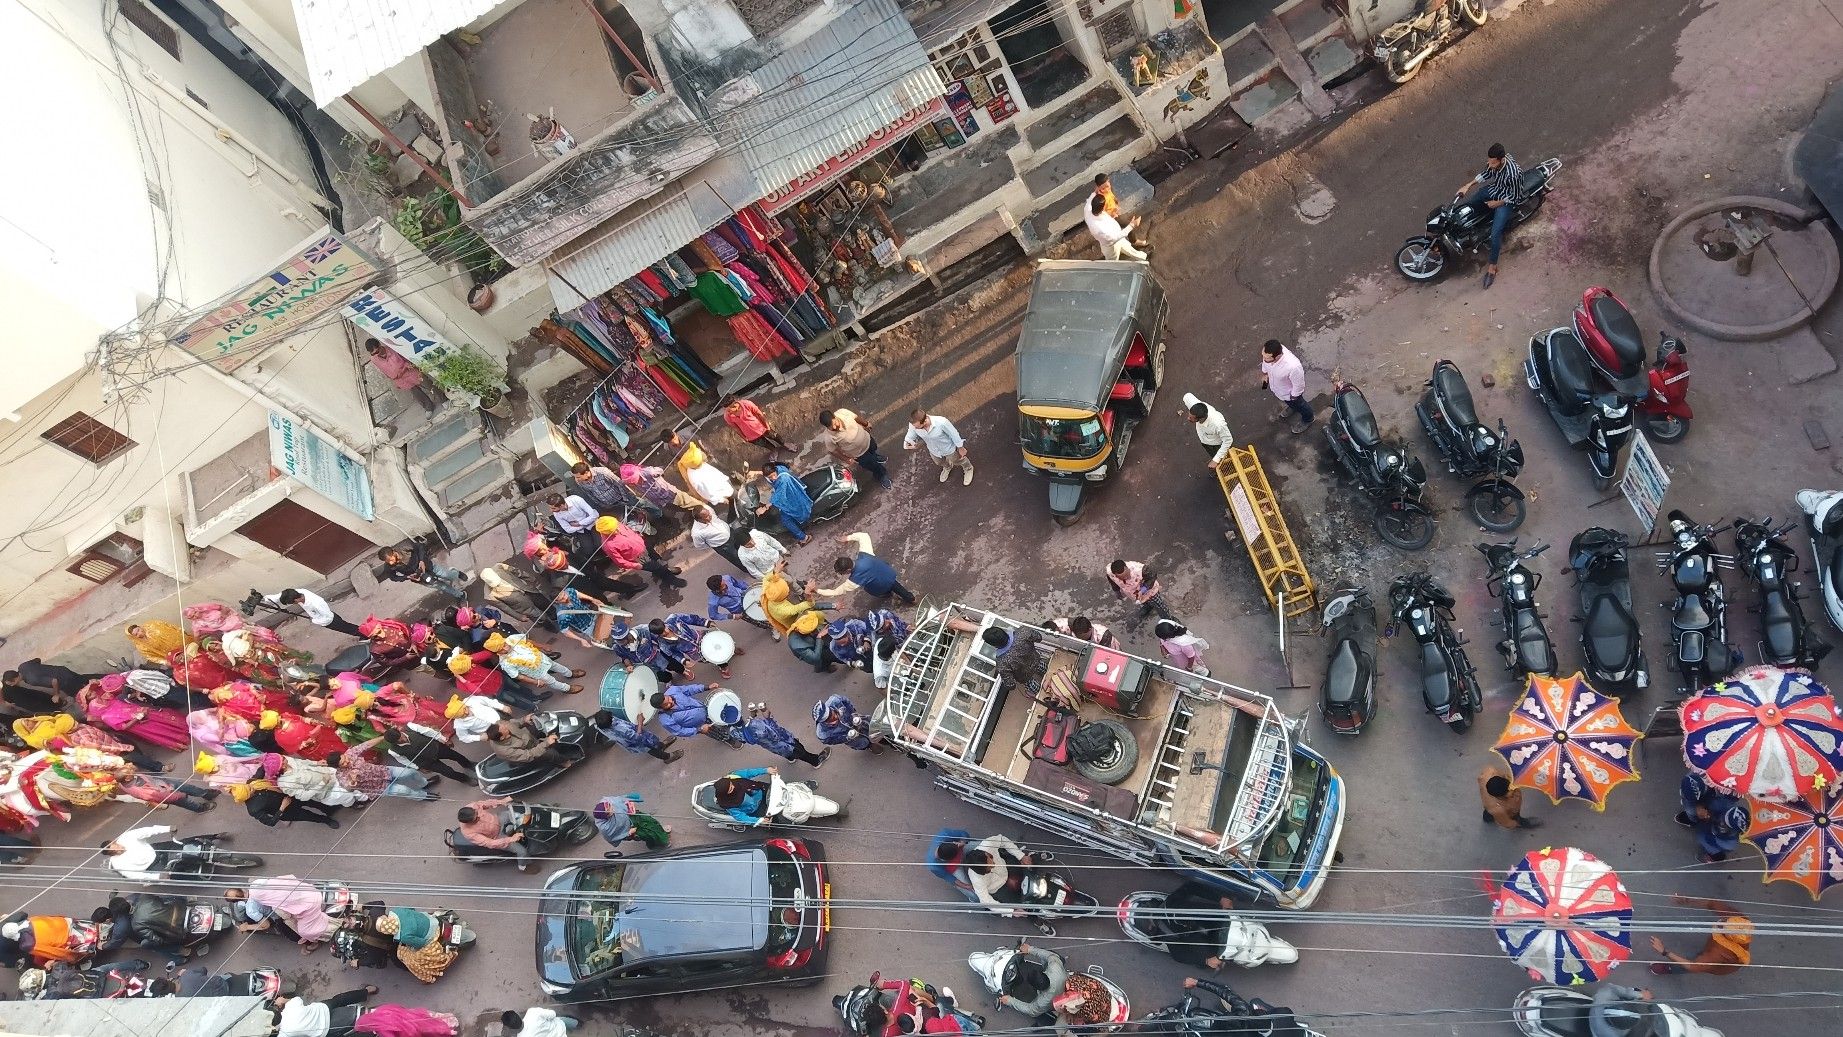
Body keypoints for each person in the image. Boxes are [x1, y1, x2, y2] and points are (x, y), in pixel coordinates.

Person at [1454, 142, 1522, 288]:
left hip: (1505, 200)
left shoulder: (1514, 174)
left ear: (1501, 159)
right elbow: (1486, 174)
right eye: (1489, 160)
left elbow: (1516, 196)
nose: (1489, 163)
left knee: (1495, 233)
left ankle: (1492, 267)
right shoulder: (1495, 164)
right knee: (1473, 201)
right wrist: (1468, 185)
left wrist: (1497, 204)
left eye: (1492, 161)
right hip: (1495, 189)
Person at [1648, 895, 1753, 976]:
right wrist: (1687, 900)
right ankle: (1701, 954)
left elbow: (1692, 966)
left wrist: (1664, 951)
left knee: (1690, 964)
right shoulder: (1739, 921)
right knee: (1702, 956)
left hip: (1715, 965)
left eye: (1723, 927)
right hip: (1712, 952)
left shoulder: (1717, 954)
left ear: (1727, 937)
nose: (1722, 922)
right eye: (1725, 921)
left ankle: (1671, 969)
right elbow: (1712, 904)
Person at [816, 531, 916, 605]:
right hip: (888, 574)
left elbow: (835, 592)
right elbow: (863, 536)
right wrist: (848, 538)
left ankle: (888, 594)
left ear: (848, 570)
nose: (842, 575)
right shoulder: (864, 554)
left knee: (875, 590)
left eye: (842, 573)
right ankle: (911, 599)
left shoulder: (854, 580)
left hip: (879, 587)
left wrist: (816, 590)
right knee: (898, 587)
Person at [329, 737, 437, 802]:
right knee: (404, 791)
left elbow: (366, 744)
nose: (347, 761)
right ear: (338, 767)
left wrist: (382, 737)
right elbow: (348, 788)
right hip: (379, 788)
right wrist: (352, 783)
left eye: (345, 758)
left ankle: (424, 783)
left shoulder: (350, 753)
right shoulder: (340, 775)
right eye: (343, 763)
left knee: (410, 772)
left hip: (384, 771)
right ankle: (423, 796)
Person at [595, 515, 687, 589]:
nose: (618, 528)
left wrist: (638, 536)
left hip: (644, 545)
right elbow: (620, 561)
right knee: (657, 568)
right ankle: (670, 579)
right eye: (614, 530)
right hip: (639, 559)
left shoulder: (615, 524)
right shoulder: (608, 545)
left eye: (617, 526)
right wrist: (636, 566)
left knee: (657, 558)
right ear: (607, 532)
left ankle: (666, 569)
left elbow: (628, 530)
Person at [1677, 773, 1746, 863]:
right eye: (1725, 816)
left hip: (1716, 839)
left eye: (1724, 823)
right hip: (1713, 820)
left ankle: (1716, 856)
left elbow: (1713, 833)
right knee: (1703, 832)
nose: (1723, 820)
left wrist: (1709, 820)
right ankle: (1695, 821)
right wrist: (1708, 813)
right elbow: (1718, 807)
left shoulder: (1728, 843)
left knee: (1709, 844)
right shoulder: (1724, 806)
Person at [734, 701, 828, 766]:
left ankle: (790, 758)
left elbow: (746, 733)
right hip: (783, 743)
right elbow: (774, 733)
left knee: (786, 753)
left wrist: (752, 716)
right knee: (800, 751)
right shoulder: (756, 725)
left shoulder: (734, 732)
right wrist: (767, 714)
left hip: (770, 746)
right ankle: (816, 761)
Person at [819, 408, 892, 489]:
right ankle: (881, 475)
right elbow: (833, 451)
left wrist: (866, 424)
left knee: (874, 448)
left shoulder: (843, 412)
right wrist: (847, 459)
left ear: (835, 417)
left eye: (835, 423)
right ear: (827, 427)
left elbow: (855, 418)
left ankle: (875, 457)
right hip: (860, 455)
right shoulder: (829, 438)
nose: (835, 427)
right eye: (831, 427)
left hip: (867, 440)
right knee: (874, 466)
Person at [378, 724, 475, 785]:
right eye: (398, 741)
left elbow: (428, 732)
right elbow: (404, 761)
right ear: (393, 743)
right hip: (426, 762)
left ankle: (468, 764)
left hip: (436, 748)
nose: (402, 739)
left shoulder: (410, 727)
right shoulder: (393, 751)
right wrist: (418, 768)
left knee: (456, 756)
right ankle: (465, 779)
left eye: (401, 736)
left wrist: (444, 739)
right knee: (448, 772)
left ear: (400, 731)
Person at [456, 797, 533, 870]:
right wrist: (511, 839)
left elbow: (486, 803)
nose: (479, 816)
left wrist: (502, 801)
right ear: (469, 822)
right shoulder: (469, 833)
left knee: (517, 813)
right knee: (522, 852)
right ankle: (524, 866)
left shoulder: (472, 806)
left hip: (497, 819)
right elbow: (490, 843)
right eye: (476, 819)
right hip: (496, 836)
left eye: (477, 813)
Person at [649, 684, 737, 746]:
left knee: (721, 716)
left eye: (668, 698)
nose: (671, 701)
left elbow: (690, 689)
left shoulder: (673, 690)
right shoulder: (665, 720)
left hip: (705, 708)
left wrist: (706, 687)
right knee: (716, 733)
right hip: (701, 725)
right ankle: (728, 739)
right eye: (666, 704)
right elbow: (680, 731)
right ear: (660, 708)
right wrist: (699, 730)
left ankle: (727, 724)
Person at [903, 409, 974, 485]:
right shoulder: (914, 425)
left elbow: (954, 434)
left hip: (948, 448)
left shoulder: (941, 422)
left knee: (957, 460)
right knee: (939, 462)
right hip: (933, 450)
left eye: (919, 427)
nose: (916, 429)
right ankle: (948, 467)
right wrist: (907, 442)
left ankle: (968, 468)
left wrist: (960, 447)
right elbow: (910, 434)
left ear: (925, 421)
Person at [262, 587, 366, 639]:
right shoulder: (297, 592)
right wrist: (265, 599)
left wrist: (315, 620)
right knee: (346, 626)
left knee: (347, 628)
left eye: (293, 603)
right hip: (323, 617)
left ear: (297, 599)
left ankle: (365, 635)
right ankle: (363, 632)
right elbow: (279, 595)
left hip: (330, 620)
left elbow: (328, 617)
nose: (294, 604)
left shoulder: (316, 603)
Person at [377, 543, 470, 599]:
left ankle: (456, 573)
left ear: (393, 552)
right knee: (442, 586)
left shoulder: (403, 547)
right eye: (388, 561)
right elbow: (394, 578)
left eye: (391, 559)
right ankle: (459, 595)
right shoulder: (388, 567)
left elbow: (420, 547)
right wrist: (407, 577)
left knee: (448, 575)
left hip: (430, 566)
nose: (391, 562)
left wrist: (421, 560)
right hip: (420, 578)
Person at [589, 709, 683, 764]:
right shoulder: (621, 729)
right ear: (610, 721)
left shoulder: (600, 725)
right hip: (638, 742)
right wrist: (640, 721)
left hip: (632, 737)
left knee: (653, 743)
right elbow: (637, 737)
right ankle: (667, 757)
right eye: (611, 716)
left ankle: (661, 745)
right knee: (651, 749)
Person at [364, 339, 437, 409]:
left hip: (409, 370)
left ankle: (443, 399)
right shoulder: (374, 359)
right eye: (373, 354)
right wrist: (395, 381)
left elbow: (406, 357)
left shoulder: (391, 348)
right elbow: (384, 371)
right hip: (400, 379)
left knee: (428, 384)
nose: (376, 354)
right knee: (417, 394)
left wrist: (406, 367)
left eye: (377, 352)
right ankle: (428, 407)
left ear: (379, 345)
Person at [1260, 340, 1314, 433]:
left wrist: (1294, 396)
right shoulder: (1268, 356)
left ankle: (1308, 419)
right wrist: (1265, 373)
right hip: (1280, 391)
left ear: (1277, 357)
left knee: (1300, 405)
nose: (1264, 359)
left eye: (1267, 358)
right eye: (1263, 355)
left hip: (1290, 394)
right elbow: (1265, 364)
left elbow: (1299, 384)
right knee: (1290, 403)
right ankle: (1292, 407)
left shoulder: (1293, 367)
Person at [486, 717, 574, 773]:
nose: (505, 726)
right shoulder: (505, 751)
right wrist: (546, 743)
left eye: (503, 726)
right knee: (551, 754)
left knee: (541, 725)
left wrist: (524, 720)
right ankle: (564, 761)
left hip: (528, 737)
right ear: (502, 738)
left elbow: (513, 723)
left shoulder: (500, 724)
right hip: (529, 751)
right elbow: (529, 755)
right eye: (504, 729)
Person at [592, 793, 670, 853]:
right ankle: (659, 844)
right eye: (609, 811)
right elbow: (612, 837)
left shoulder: (606, 802)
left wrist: (628, 797)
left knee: (651, 822)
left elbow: (618, 800)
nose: (612, 808)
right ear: (605, 816)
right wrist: (628, 833)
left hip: (633, 815)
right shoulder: (605, 828)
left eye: (610, 806)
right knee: (648, 834)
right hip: (631, 829)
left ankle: (661, 834)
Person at [756, 466, 815, 544]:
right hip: (793, 489)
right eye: (770, 477)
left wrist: (766, 507)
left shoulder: (783, 479)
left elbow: (779, 496)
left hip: (794, 498)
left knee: (785, 520)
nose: (773, 478)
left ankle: (804, 538)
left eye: (774, 475)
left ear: (775, 471)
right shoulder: (779, 468)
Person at [1084, 193, 1148, 261]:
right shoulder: (1099, 228)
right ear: (1102, 208)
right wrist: (1132, 225)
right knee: (1113, 261)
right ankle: (1113, 268)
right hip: (1111, 245)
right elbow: (1114, 238)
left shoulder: (1088, 210)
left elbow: (1090, 198)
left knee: (1128, 247)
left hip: (1118, 236)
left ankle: (1144, 257)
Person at [814, 693, 882, 753]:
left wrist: (853, 713)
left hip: (853, 719)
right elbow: (833, 741)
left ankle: (883, 736)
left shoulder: (835, 700)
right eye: (828, 719)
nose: (834, 716)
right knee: (862, 743)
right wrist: (847, 738)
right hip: (847, 735)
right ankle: (869, 745)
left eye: (831, 713)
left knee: (871, 726)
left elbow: (846, 701)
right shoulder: (822, 734)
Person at [1180, 392, 1234, 468]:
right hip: (1205, 441)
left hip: (1216, 444)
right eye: (1189, 416)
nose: (1188, 418)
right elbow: (1187, 396)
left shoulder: (1218, 424)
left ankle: (1225, 465)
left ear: (1201, 418)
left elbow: (1228, 440)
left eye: (1191, 418)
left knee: (1221, 456)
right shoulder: (1195, 406)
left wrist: (1216, 460)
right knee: (1212, 454)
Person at [723, 397, 791, 457]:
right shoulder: (727, 416)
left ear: (734, 404)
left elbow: (759, 414)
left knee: (773, 436)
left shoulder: (747, 404)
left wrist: (766, 425)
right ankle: (774, 450)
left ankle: (784, 444)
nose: (728, 412)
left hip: (761, 427)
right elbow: (735, 428)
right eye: (727, 410)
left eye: (729, 409)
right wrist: (744, 437)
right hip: (750, 436)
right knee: (764, 444)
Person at [712, 767, 778, 825]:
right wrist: (758, 820)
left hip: (759, 788)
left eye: (731, 784)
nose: (734, 787)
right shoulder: (729, 804)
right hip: (757, 808)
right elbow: (741, 817)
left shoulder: (734, 776)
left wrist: (766, 770)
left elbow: (748, 772)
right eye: (731, 789)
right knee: (776, 819)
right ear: (726, 793)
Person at [1107, 559, 1171, 619]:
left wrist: (1143, 590)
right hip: (1134, 593)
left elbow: (1152, 577)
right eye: (1122, 578)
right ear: (1115, 575)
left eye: (1127, 575)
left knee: (1159, 605)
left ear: (1126, 567)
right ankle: (1148, 607)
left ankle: (1167, 619)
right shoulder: (1110, 573)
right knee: (1144, 602)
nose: (1126, 578)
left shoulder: (1141, 569)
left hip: (1150, 591)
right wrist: (1117, 591)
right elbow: (1113, 582)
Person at [691, 506, 747, 573]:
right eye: (706, 517)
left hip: (731, 533)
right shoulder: (697, 532)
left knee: (745, 548)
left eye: (709, 514)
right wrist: (715, 544)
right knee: (736, 558)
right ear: (699, 520)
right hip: (724, 546)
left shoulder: (709, 510)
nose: (710, 516)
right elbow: (699, 545)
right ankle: (748, 570)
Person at [1588, 984, 1658, 1037]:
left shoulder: (1602, 998)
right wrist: (1639, 995)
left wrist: (1639, 995)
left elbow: (1611, 987)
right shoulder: (1612, 1034)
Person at [928, 828, 977, 900]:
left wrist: (962, 842)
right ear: (945, 860)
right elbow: (949, 877)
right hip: (953, 869)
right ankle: (977, 902)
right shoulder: (933, 866)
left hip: (961, 848)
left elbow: (964, 834)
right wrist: (966, 886)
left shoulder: (945, 834)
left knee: (986, 844)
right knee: (973, 894)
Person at [124, 621, 190, 668]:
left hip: (184, 643)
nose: (139, 633)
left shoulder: (153, 625)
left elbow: (169, 626)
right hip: (175, 656)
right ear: (134, 637)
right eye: (136, 634)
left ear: (139, 626)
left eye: (138, 630)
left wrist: (182, 631)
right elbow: (151, 657)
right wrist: (164, 662)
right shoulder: (141, 647)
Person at [1045, 615, 1118, 649]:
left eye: (1082, 636)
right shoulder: (1068, 625)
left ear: (1090, 630)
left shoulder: (1105, 636)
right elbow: (1053, 626)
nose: (1080, 638)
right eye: (1077, 636)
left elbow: (1116, 653)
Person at [501, 1006, 580, 1037]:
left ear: (510, 1028)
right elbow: (553, 1014)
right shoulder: (532, 1012)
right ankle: (580, 1025)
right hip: (560, 1026)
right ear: (517, 1014)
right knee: (573, 1022)